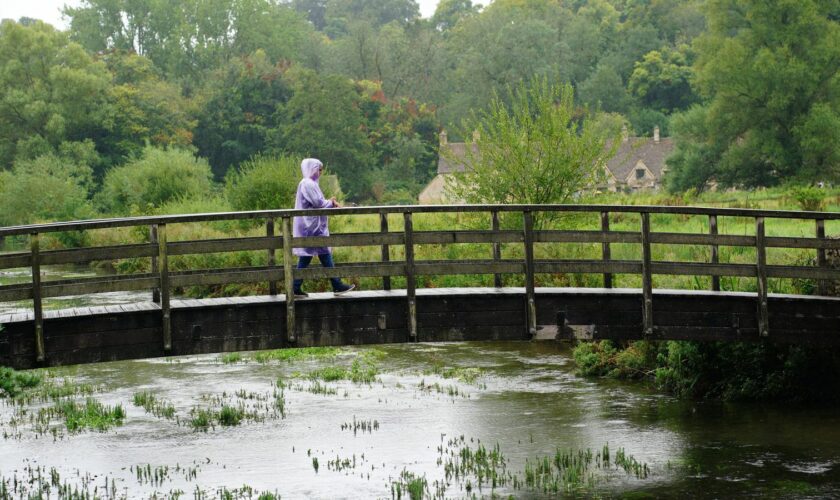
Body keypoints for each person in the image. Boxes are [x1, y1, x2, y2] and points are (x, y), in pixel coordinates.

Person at [292, 158, 355, 297]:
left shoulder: (310, 183)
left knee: (310, 254)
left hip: (312, 225)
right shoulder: (308, 183)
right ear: (311, 169)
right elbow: (318, 203)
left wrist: (329, 202)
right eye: (318, 169)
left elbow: (318, 202)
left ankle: (295, 287)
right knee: (320, 252)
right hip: (312, 226)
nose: (320, 172)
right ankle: (336, 285)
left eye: (320, 170)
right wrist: (331, 203)